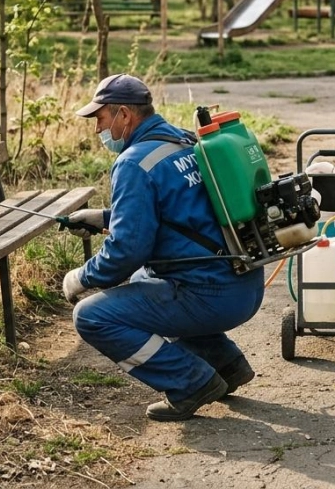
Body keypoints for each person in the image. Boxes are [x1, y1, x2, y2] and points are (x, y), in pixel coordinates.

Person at [61, 74, 262, 422]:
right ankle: (226, 364)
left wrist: (81, 277)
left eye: (100, 118)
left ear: (124, 114)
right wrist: (105, 217)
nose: (97, 129)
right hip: (243, 282)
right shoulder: (184, 140)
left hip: (211, 296)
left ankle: (190, 383)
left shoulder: (133, 163)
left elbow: (125, 252)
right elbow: (181, 214)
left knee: (92, 316)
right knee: (145, 279)